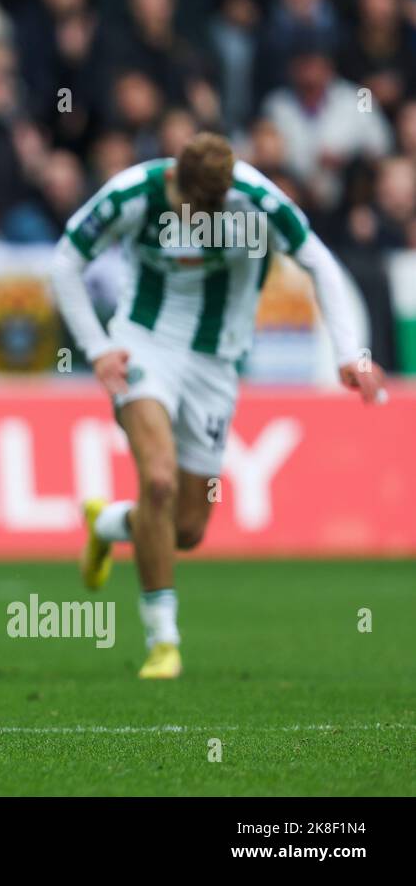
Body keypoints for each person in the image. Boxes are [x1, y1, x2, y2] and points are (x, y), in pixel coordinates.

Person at [49, 132, 386, 680]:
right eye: (190, 206)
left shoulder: (258, 201)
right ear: (174, 179)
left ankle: (109, 524)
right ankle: (164, 641)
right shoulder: (131, 194)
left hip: (216, 365)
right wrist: (97, 347)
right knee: (157, 480)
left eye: (212, 209)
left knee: (187, 528)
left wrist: (350, 353)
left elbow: (320, 263)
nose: (198, 219)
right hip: (144, 345)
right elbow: (65, 261)